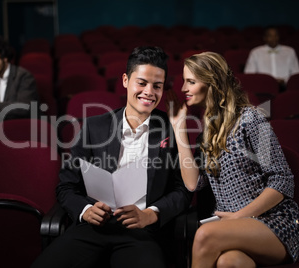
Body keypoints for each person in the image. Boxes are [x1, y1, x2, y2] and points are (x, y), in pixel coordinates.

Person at [32, 46, 192, 268]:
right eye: (142, 83)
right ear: (126, 80)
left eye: (157, 86)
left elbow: (183, 190)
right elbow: (66, 186)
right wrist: (86, 211)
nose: (149, 92)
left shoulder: (171, 129)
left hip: (142, 232)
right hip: (93, 228)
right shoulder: (93, 127)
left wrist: (151, 214)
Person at [167, 52, 299, 268]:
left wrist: (239, 217)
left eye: (190, 81)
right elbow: (194, 183)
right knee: (229, 262)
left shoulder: (253, 118)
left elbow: (282, 180)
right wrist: (179, 129)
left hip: (274, 223)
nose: (183, 88)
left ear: (212, 82)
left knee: (204, 235)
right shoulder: (207, 134)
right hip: (233, 227)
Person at [0, 35, 38, 137]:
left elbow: (25, 108)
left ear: (5, 58)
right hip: (4, 131)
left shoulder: (24, 76)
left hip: (24, 130)